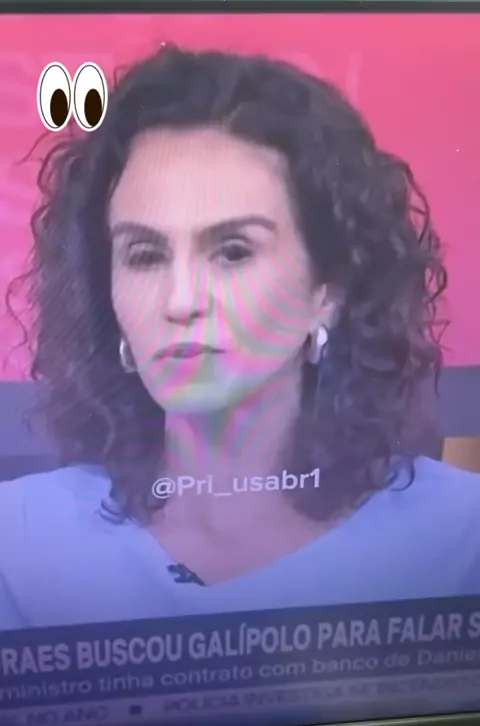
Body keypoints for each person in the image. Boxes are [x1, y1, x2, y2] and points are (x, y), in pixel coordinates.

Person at [0, 45, 479, 631]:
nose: (180, 301)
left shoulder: (460, 541)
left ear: (327, 292)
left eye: (232, 252)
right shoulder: (21, 545)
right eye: (145, 256)